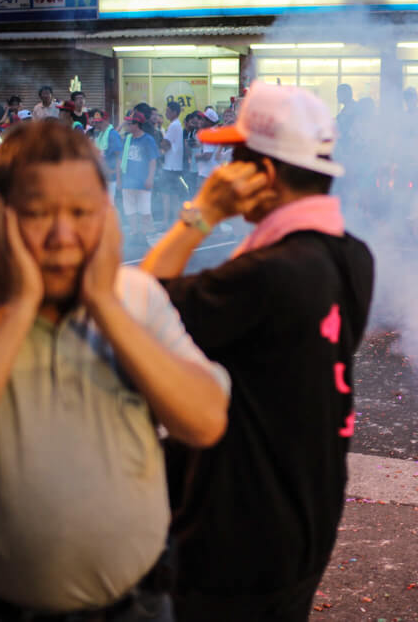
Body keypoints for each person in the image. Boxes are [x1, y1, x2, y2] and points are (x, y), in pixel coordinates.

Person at [0, 121, 230, 619]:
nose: (64, 236)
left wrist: (103, 304)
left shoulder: (134, 296)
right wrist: (17, 310)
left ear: (105, 216)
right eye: (39, 214)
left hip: (136, 603)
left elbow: (206, 419)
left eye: (81, 213)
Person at [141, 83, 374, 621]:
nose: (221, 168)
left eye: (232, 158)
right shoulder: (353, 257)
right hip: (308, 513)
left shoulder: (265, 275)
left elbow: (138, 305)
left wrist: (200, 212)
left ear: (261, 175)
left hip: (239, 531)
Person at [122, 109, 160, 241]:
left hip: (142, 180)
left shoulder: (147, 139)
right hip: (128, 181)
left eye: (129, 123)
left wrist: (150, 178)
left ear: (136, 125)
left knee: (144, 209)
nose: (126, 126)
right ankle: (134, 232)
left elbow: (153, 160)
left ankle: (145, 233)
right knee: (129, 208)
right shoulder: (127, 139)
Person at [157, 101, 188, 230]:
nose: (166, 113)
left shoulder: (173, 126)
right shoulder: (176, 125)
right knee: (174, 195)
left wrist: (160, 145)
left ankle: (165, 222)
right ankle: (175, 221)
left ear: (175, 112)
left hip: (170, 166)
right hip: (175, 165)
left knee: (166, 194)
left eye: (168, 111)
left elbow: (166, 144)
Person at [88, 109, 124, 205]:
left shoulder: (112, 135)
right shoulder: (100, 134)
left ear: (105, 121)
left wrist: (118, 177)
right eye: (95, 122)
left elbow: (118, 157)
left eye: (98, 122)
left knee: (108, 205)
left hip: (111, 177)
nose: (96, 124)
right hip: (102, 176)